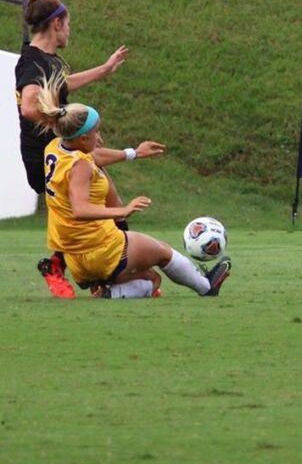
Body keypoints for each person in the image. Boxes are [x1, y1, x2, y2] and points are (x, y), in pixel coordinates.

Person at [15, 0, 165, 298]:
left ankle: (100, 270)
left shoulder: (47, 61)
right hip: (47, 154)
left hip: (64, 147)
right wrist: (66, 122)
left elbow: (62, 85)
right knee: (94, 202)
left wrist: (104, 70)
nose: (70, 30)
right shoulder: (31, 63)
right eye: (68, 24)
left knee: (108, 197)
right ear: (57, 23)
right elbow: (30, 107)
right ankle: (88, 268)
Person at [34, 69, 231, 299]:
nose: (100, 138)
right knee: (163, 253)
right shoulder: (81, 165)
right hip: (100, 248)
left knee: (152, 281)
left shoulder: (56, 147)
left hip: (75, 257)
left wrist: (134, 153)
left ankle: (108, 291)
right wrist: (122, 210)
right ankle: (206, 287)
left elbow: (95, 156)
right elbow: (80, 209)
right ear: (82, 138)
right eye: (96, 133)